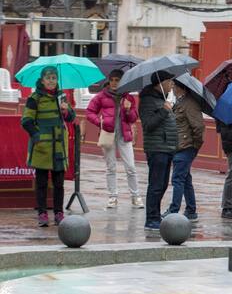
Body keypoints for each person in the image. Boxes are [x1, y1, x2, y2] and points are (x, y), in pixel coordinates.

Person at [22, 67, 76, 227]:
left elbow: (71, 118)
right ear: (42, 80)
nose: (51, 81)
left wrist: (66, 111)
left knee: (59, 183)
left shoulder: (61, 96)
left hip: (59, 147)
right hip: (42, 147)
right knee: (42, 183)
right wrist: (37, 137)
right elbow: (26, 121)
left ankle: (59, 213)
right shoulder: (34, 98)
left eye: (54, 78)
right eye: (48, 78)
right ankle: (42, 213)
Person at [85, 69, 142, 210]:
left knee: (131, 167)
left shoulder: (128, 97)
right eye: (112, 80)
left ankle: (135, 196)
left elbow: (133, 118)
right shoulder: (101, 96)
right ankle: (112, 197)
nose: (114, 83)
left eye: (117, 80)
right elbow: (89, 112)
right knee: (111, 167)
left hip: (124, 135)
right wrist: (100, 122)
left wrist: (128, 110)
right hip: (108, 135)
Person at [138, 71, 177, 231]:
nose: (172, 84)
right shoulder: (148, 100)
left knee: (163, 184)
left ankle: (156, 214)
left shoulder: (163, 99)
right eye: (169, 81)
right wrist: (164, 110)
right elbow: (148, 124)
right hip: (157, 148)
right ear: (160, 83)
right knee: (156, 184)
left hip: (167, 147)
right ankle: (151, 218)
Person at [164, 79, 204, 222]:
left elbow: (198, 127)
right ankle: (191, 210)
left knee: (177, 179)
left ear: (180, 87)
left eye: (174, 85)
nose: (172, 87)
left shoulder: (190, 103)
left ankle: (174, 209)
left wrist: (195, 145)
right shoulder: (180, 102)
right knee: (185, 179)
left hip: (186, 146)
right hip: (179, 146)